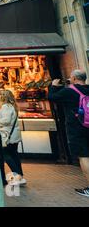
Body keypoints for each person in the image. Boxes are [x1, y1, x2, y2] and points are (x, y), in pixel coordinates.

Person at [48, 69, 89, 197]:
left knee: (84, 157)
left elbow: (51, 97)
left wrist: (54, 86)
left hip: (77, 128)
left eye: (71, 78)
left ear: (75, 78)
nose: (70, 79)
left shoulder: (69, 91)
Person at [0, 89, 26, 186]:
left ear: (4, 97)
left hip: (7, 136)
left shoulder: (6, 107)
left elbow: (6, 120)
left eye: (0, 95)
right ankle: (20, 176)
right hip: (13, 136)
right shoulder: (12, 106)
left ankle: (18, 177)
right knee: (14, 155)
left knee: (6, 155)